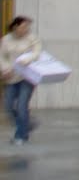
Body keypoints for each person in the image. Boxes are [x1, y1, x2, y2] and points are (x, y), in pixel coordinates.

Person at [0, 16, 42, 145]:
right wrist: (5, 69)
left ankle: (21, 136)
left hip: (27, 77)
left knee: (22, 106)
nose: (26, 29)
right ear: (15, 26)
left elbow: (37, 52)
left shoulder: (32, 38)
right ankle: (27, 124)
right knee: (8, 106)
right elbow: (2, 56)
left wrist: (28, 59)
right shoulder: (6, 40)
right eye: (23, 26)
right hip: (11, 77)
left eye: (27, 27)